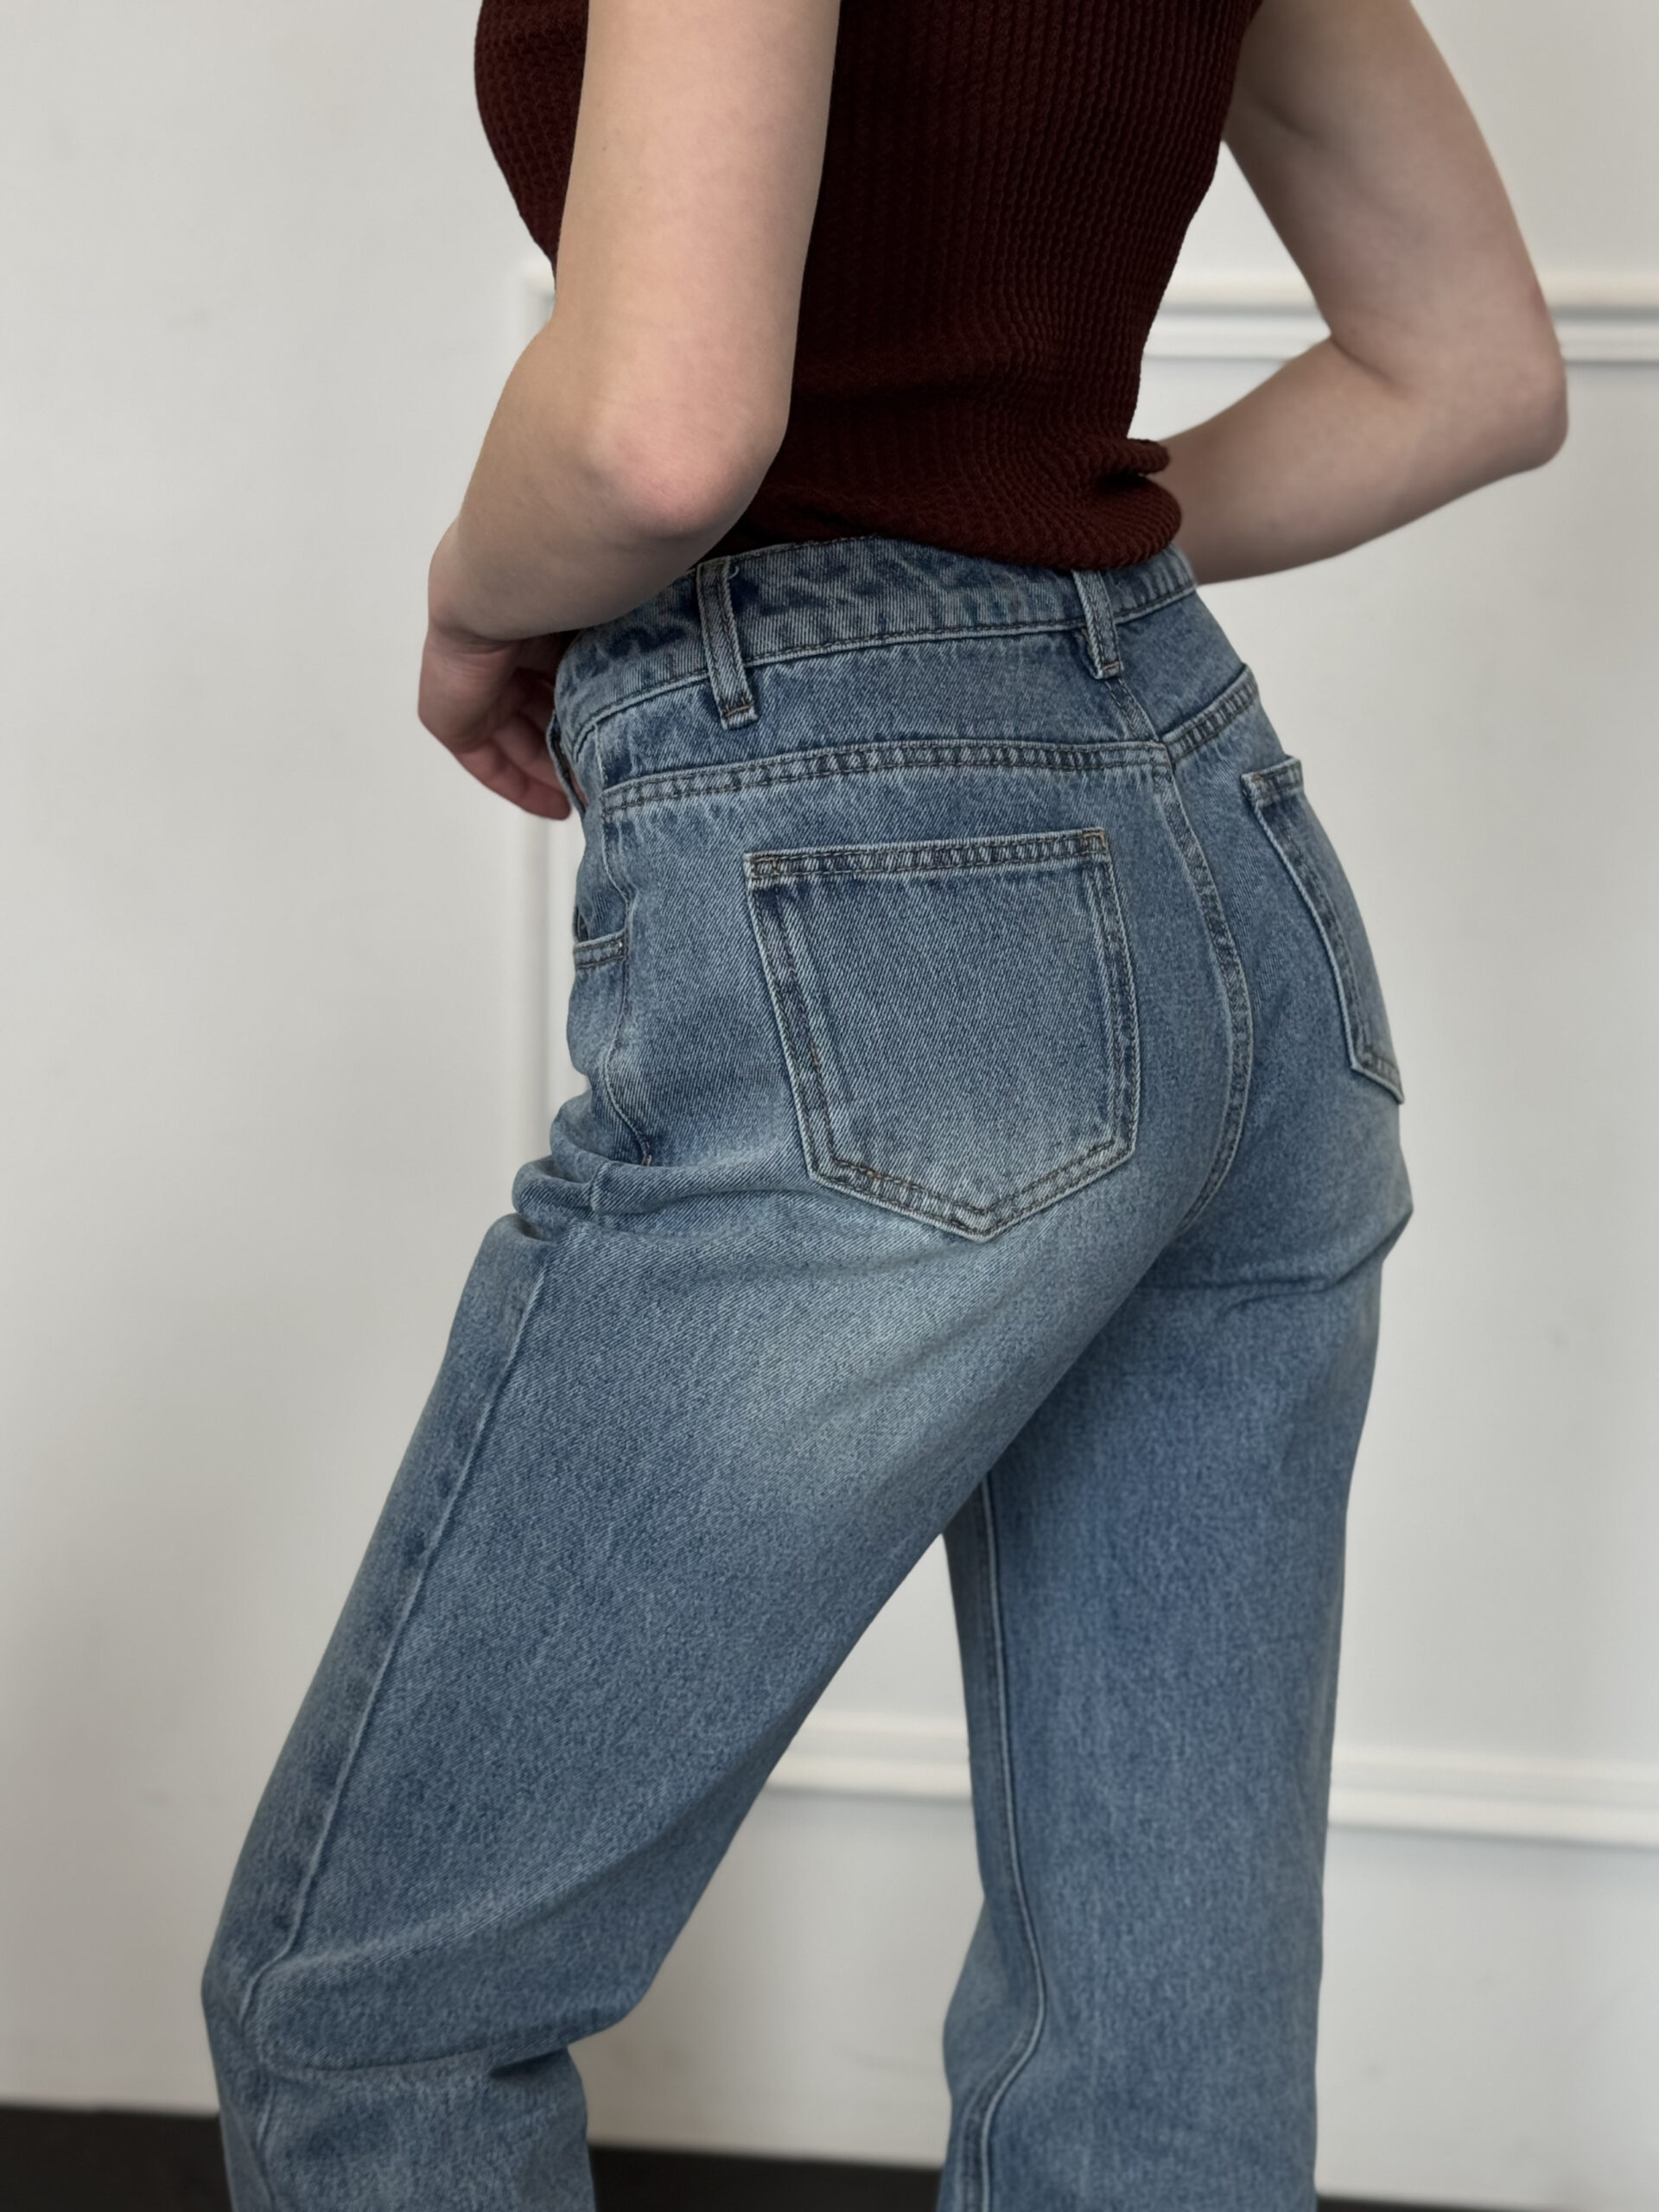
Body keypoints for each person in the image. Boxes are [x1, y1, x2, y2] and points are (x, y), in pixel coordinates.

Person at [201, 0, 1567, 2205]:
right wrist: (1030, 544)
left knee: (366, 2013)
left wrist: (473, 601)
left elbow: (657, 436)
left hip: (884, 915)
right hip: (1231, 867)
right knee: (1155, 2065)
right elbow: (1474, 366)